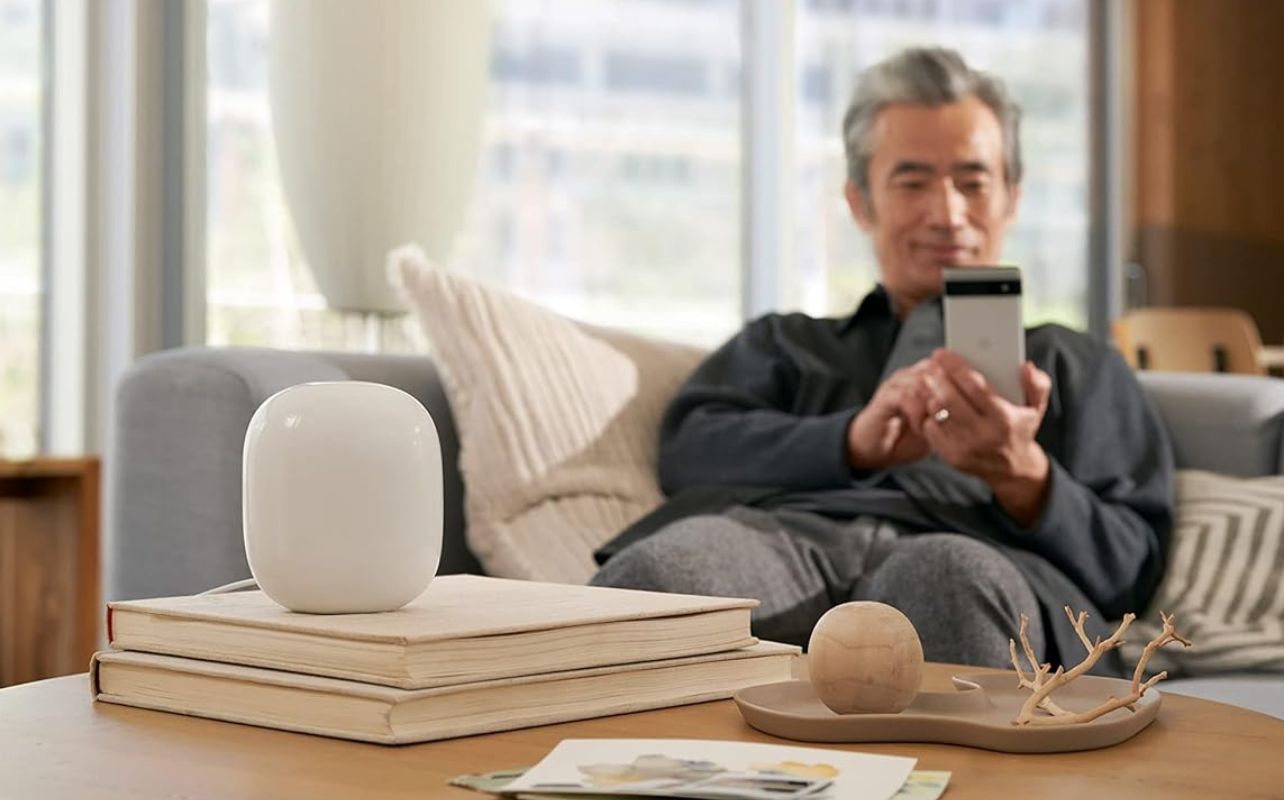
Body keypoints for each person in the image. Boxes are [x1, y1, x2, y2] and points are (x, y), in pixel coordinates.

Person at [589, 47, 1174, 671]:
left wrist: (1025, 476)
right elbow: (690, 451)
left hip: (981, 555)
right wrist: (852, 441)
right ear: (860, 202)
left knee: (942, 575)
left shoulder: (1074, 363)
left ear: (1011, 199)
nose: (947, 213)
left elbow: (1131, 569)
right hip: (785, 540)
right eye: (913, 182)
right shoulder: (788, 344)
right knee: (663, 571)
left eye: (973, 183)